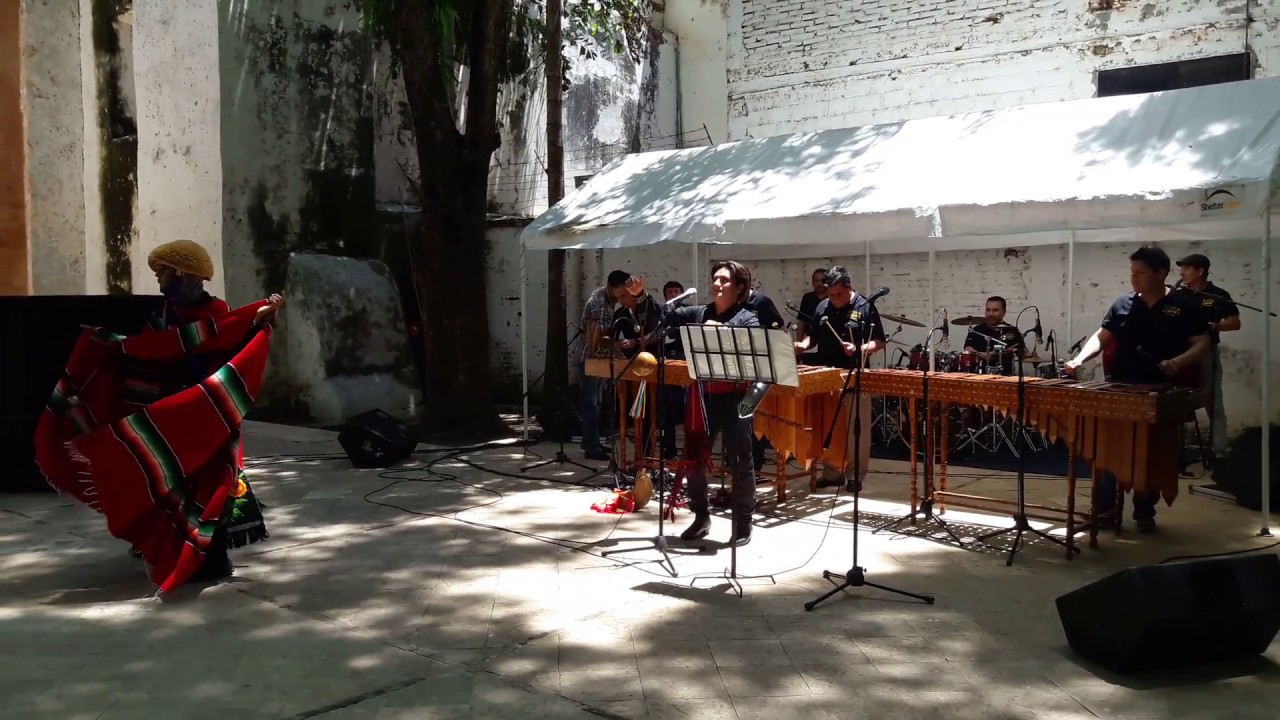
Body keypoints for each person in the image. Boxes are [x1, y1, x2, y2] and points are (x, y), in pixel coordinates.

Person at [33, 239, 283, 591]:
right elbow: (154, 349)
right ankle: (163, 542)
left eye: (163, 272)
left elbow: (220, 343)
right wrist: (110, 348)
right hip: (163, 417)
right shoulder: (164, 314)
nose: (158, 279)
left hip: (201, 419)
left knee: (207, 487)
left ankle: (206, 559)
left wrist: (256, 322)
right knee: (159, 482)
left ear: (185, 275)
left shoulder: (217, 313)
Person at [1064, 246, 1210, 533]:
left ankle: (1145, 510)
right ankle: (1104, 509)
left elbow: (1203, 343)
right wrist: (1079, 358)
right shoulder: (1123, 304)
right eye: (1132, 272)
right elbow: (1103, 336)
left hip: (1159, 390)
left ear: (1161, 273)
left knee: (1151, 454)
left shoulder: (1184, 305)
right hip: (1119, 386)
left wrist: (1177, 363)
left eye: (1140, 272)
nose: (1134, 278)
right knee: (1107, 451)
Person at [637, 261, 761, 545]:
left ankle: (743, 523)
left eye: (725, 280)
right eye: (715, 279)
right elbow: (664, 316)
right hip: (703, 398)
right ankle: (701, 516)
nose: (717, 284)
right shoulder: (699, 312)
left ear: (739, 286)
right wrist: (644, 298)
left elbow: (754, 354)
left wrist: (724, 335)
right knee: (694, 459)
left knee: (741, 461)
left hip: (737, 399)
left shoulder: (747, 318)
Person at [792, 265, 886, 490]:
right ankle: (832, 472)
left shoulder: (864, 306)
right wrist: (802, 345)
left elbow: (880, 341)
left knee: (856, 429)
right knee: (828, 426)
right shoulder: (823, 306)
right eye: (831, 295)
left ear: (849, 287)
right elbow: (812, 336)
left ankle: (855, 476)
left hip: (854, 373)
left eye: (839, 295)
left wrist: (861, 348)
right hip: (826, 374)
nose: (834, 299)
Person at [1174, 253, 1240, 460]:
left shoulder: (1217, 295)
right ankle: (1175, 451)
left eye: (1186, 268)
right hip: (1179, 354)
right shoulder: (1178, 294)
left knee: (1213, 401)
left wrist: (1216, 326)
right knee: (1175, 402)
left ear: (1200, 271)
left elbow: (1235, 322)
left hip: (1206, 354)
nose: (1181, 272)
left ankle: (1219, 453)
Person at [575, 270, 642, 461]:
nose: (626, 294)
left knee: (595, 403)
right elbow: (599, 337)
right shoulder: (601, 304)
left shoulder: (606, 298)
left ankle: (592, 442)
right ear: (614, 286)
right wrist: (618, 351)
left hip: (597, 358)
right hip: (591, 358)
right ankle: (591, 446)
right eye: (624, 290)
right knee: (591, 404)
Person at [962, 296, 1027, 374]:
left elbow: (1023, 351)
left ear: (1004, 312)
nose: (991, 314)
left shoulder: (1012, 330)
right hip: (981, 376)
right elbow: (968, 349)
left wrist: (1022, 353)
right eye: (988, 310)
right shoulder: (977, 330)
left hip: (1007, 377)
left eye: (995, 310)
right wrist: (984, 355)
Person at [796, 268, 827, 364]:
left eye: (823, 280)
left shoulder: (833, 298)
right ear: (812, 282)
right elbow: (802, 322)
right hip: (810, 344)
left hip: (827, 343)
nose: (819, 284)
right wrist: (799, 344)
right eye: (816, 280)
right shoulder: (807, 298)